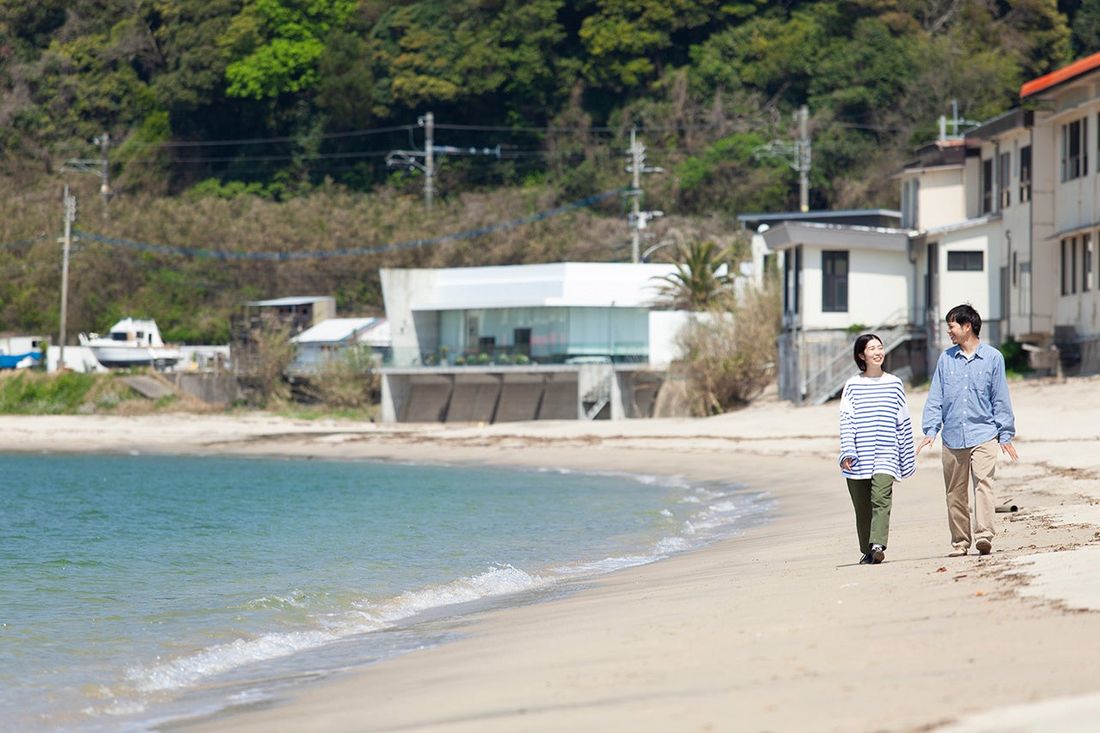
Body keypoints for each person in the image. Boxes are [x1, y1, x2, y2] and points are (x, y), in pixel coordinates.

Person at [917, 304, 1018, 557]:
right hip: (952, 436)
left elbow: (1000, 398)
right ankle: (960, 542)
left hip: (984, 433)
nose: (948, 331)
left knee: (983, 484)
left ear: (967, 326)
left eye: (951, 326)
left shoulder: (994, 358)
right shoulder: (946, 358)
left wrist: (1005, 434)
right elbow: (936, 397)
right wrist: (931, 430)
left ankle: (984, 536)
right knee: (955, 492)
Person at [839, 333, 916, 565]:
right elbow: (846, 420)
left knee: (881, 499)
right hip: (858, 456)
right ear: (862, 355)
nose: (877, 352)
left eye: (880, 347)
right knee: (862, 507)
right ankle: (868, 549)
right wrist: (847, 451)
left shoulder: (894, 384)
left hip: (886, 454)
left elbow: (903, 422)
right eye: (871, 348)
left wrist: (906, 455)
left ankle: (878, 544)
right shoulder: (852, 385)